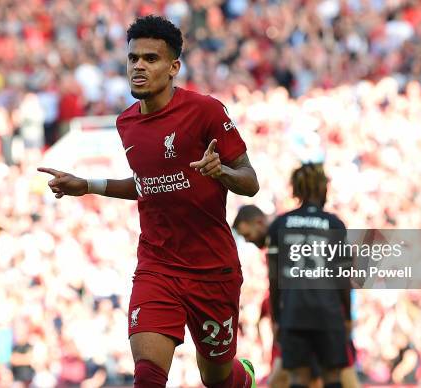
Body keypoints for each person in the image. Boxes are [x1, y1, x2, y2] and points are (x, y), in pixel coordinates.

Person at [38, 15, 259, 388]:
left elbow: (250, 182)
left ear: (174, 67)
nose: (139, 66)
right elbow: (148, 185)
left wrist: (221, 173)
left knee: (217, 378)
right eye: (133, 58)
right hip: (157, 267)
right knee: (148, 376)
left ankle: (244, 378)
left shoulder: (205, 111)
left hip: (212, 269)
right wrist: (88, 185)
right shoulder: (126, 123)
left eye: (151, 59)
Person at [234, 165, 361, 388]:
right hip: (328, 313)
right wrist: (348, 316)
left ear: (296, 191)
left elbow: (274, 282)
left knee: (297, 380)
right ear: (323, 189)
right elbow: (343, 277)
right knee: (333, 378)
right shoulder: (334, 224)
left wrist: (276, 320)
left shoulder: (280, 225)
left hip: (294, 314)